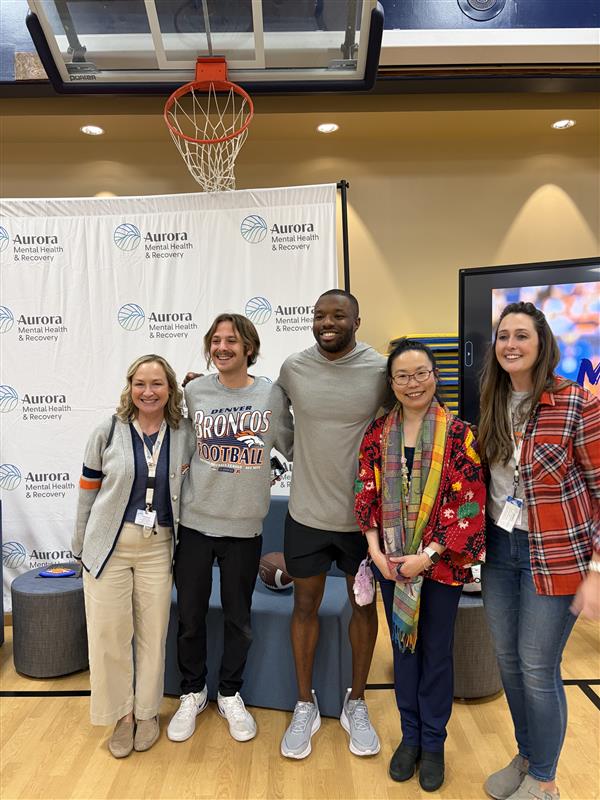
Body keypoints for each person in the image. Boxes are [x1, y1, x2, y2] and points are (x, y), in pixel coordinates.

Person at [478, 301, 600, 800]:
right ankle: (526, 755)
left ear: (541, 342)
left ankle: (545, 779)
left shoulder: (577, 403)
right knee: (508, 661)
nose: (511, 344)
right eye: (503, 336)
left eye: (521, 335)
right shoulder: (490, 398)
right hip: (499, 549)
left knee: (537, 666)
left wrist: (596, 568)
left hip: (555, 553)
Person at [354, 337, 486, 791]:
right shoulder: (377, 433)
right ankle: (408, 738)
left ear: (436, 376)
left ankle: (433, 744)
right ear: (391, 383)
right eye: (402, 376)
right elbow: (365, 494)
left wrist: (425, 556)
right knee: (404, 652)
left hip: (441, 566)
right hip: (391, 567)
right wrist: (375, 553)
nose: (413, 383)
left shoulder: (460, 434)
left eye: (421, 373)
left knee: (436, 655)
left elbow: (468, 507)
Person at [167, 313, 293, 745]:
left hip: (244, 529)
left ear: (249, 349)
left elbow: (296, 445)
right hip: (196, 524)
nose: (223, 347)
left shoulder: (271, 395)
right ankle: (192, 691)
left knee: (239, 619)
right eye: (216, 340)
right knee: (190, 617)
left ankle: (229, 692)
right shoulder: (194, 392)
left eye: (232, 341)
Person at [277, 289, 392, 760]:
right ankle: (305, 702)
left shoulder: (381, 369)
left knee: (363, 607)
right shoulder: (294, 368)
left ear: (357, 321)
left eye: (338, 315)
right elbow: (272, 415)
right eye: (320, 315)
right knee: (304, 606)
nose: (328, 322)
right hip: (306, 515)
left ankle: (356, 701)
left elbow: (406, 415)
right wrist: (294, 451)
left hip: (363, 521)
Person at [73, 354, 195, 758]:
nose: (148, 391)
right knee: (109, 636)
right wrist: (80, 546)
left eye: (157, 383)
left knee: (151, 634)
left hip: (157, 546)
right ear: (130, 387)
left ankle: (147, 712)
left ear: (170, 388)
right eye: (140, 383)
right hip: (109, 546)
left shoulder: (182, 432)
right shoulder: (107, 430)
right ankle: (121, 715)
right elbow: (88, 491)